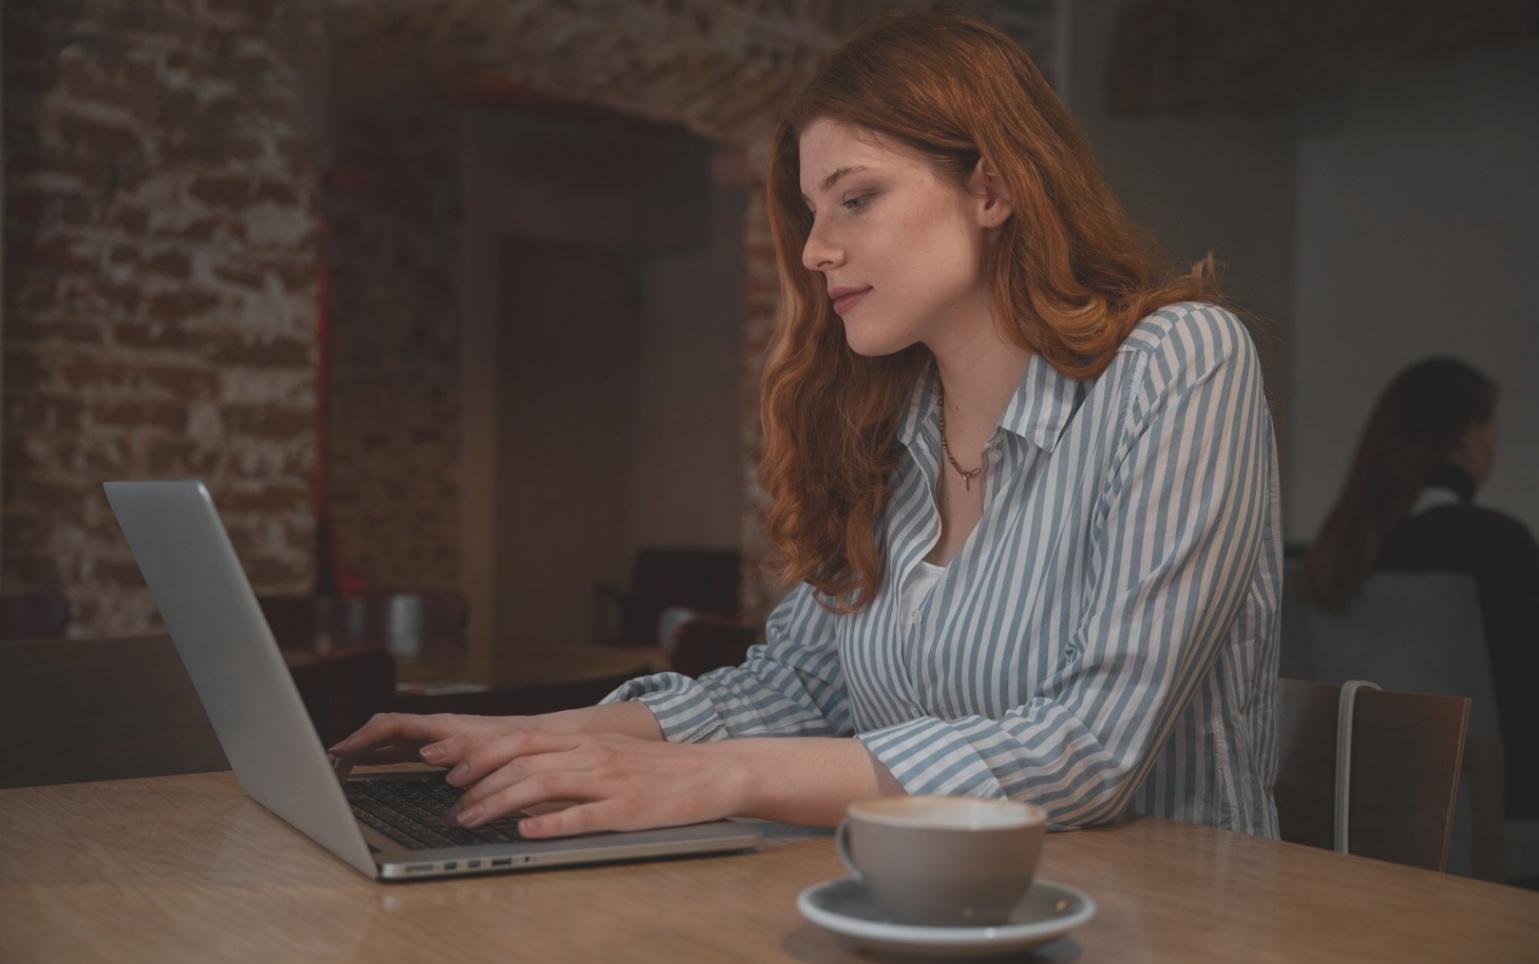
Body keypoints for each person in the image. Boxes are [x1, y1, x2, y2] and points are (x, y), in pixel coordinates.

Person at [330, 12, 1283, 840]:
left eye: (856, 198)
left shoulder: (1178, 364)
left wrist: (722, 777)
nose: (819, 249)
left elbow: (1088, 747)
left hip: (1162, 918)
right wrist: (540, 737)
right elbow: (799, 688)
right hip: (933, 907)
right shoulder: (893, 421)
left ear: (992, 190)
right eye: (811, 210)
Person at [1297, 357, 1538, 818]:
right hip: (1496, 814)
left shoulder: (1339, 553)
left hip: (1364, 814)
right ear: (1469, 435)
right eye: (1494, 430)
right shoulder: (1500, 546)